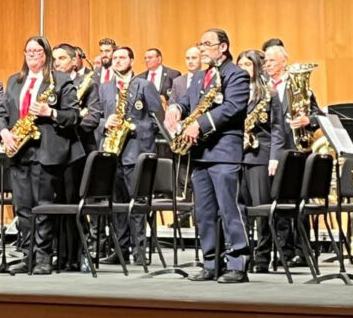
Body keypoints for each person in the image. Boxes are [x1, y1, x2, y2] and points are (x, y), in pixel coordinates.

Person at [165, 28, 250, 283]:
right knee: (204, 213)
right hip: (200, 153)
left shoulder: (237, 74)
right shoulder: (200, 76)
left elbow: (232, 107)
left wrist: (199, 125)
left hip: (224, 152)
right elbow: (188, 102)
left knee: (229, 210)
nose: (202, 48)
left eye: (207, 44)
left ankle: (237, 264)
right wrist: (175, 108)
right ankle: (211, 263)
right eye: (200, 44)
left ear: (223, 47)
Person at [0, 36, 82, 275]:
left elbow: (73, 116)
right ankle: (28, 255)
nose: (32, 55)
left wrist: (50, 112)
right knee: (23, 207)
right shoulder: (14, 81)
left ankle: (44, 258)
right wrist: (3, 132)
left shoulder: (61, 80)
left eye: (37, 51)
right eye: (29, 51)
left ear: (46, 55)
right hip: (19, 150)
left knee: (43, 207)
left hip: (46, 151)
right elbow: (1, 112)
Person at [89, 45, 161, 265]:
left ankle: (139, 250)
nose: (118, 61)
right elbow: (94, 117)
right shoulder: (104, 88)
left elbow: (157, 119)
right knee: (117, 204)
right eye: (115, 58)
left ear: (132, 60)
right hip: (112, 153)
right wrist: (105, 122)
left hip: (135, 152)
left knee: (136, 203)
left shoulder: (144, 85)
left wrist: (134, 127)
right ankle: (120, 250)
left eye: (122, 57)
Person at [264, 40, 319, 267]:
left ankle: (302, 251)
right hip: (270, 152)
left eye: (272, 60)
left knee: (298, 203)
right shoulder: (261, 86)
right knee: (278, 203)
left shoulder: (297, 85)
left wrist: (308, 120)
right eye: (265, 61)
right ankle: (283, 251)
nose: (267, 64)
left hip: (296, 151)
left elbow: (318, 115)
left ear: (284, 62)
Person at [52, 45, 97, 270]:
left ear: (74, 61)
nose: (57, 62)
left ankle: (76, 255)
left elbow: (93, 116)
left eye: (62, 58)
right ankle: (59, 254)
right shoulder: (49, 84)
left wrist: (71, 122)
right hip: (53, 150)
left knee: (73, 203)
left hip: (77, 150)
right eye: (54, 59)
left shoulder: (87, 83)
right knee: (56, 203)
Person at [236, 49, 278, 274]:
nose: (243, 69)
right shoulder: (233, 92)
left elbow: (277, 129)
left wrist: (273, 157)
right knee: (240, 209)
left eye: (247, 65)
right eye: (240, 65)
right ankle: (243, 255)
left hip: (260, 155)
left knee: (262, 210)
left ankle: (262, 257)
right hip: (237, 155)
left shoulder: (269, 93)